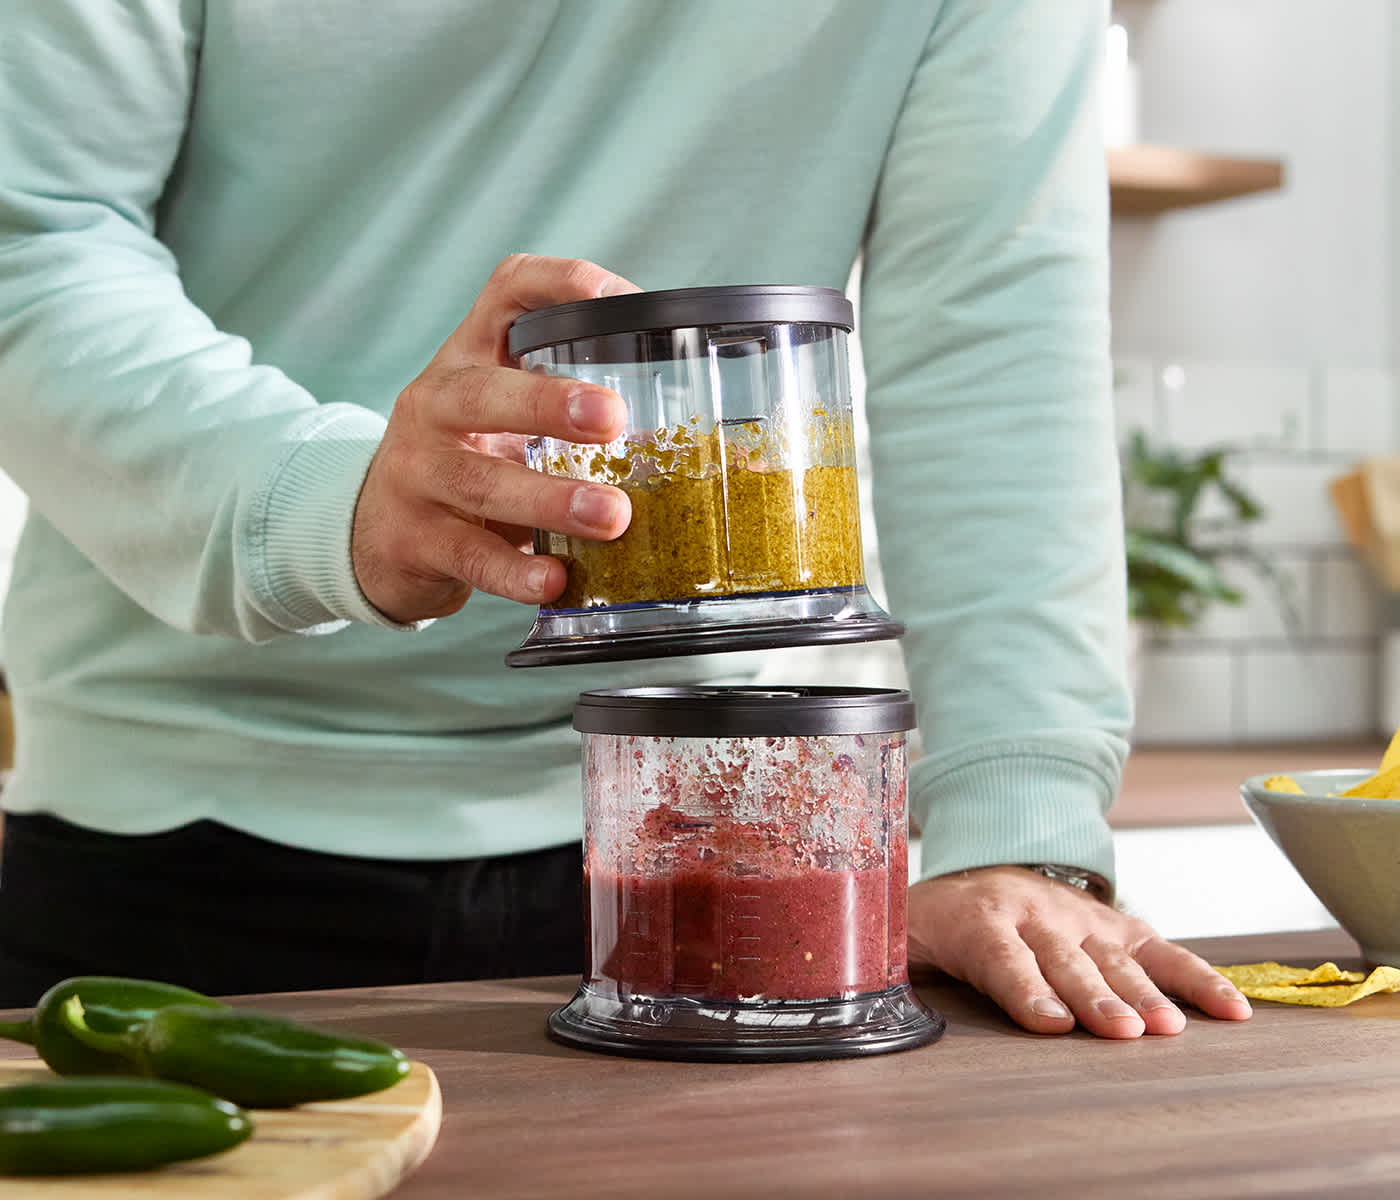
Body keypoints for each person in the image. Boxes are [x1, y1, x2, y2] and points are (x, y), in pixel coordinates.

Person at [0, 0, 1251, 1038]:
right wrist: (335, 502)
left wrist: (1019, 824)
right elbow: (36, 238)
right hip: (178, 815)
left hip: (729, 813)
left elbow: (994, 339)